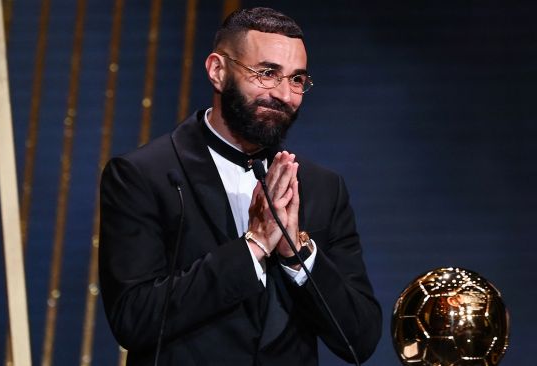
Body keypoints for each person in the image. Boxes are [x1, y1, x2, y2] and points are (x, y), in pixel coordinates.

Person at [99, 7, 381, 365]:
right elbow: (134, 318)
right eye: (267, 74)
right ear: (218, 71)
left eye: (297, 80)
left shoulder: (323, 187)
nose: (284, 94)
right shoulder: (143, 175)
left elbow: (359, 339)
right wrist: (256, 244)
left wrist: (298, 254)